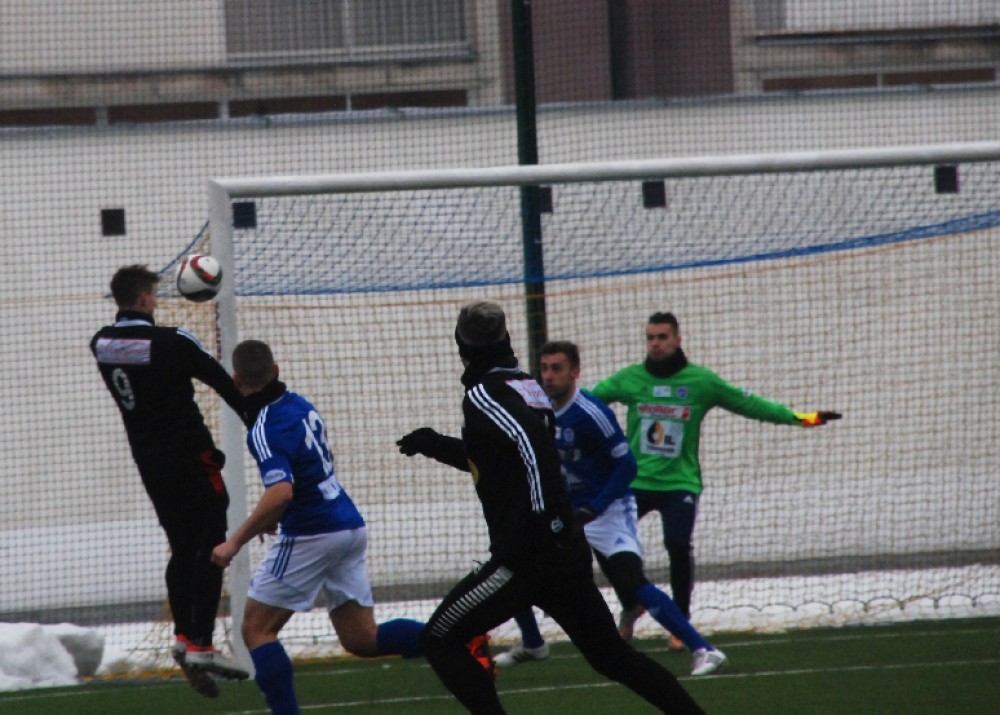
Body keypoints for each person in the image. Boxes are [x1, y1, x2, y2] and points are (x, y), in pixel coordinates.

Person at [396, 302, 705, 715]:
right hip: (560, 551)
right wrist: (435, 445)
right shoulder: (525, 385)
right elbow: (496, 460)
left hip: (529, 556)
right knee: (611, 657)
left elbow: (531, 449)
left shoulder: (485, 394)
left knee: (439, 637)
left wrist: (551, 520)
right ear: (506, 338)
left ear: (461, 346)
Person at [211, 339, 482, 715]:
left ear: (237, 380)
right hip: (346, 526)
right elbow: (305, 473)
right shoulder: (300, 405)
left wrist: (234, 542)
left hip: (312, 533)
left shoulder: (263, 427)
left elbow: (281, 491)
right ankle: (460, 640)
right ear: (275, 371)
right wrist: (274, 515)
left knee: (255, 629)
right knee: (361, 638)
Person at [590, 311, 841, 647]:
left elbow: (750, 404)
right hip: (637, 482)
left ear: (678, 339)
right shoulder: (630, 379)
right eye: (650, 338)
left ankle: (680, 622)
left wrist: (802, 418)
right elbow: (586, 403)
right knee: (601, 539)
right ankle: (631, 602)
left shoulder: (701, 382)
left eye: (663, 337)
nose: (656, 343)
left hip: (680, 483)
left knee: (677, 545)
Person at [494, 341, 726, 677]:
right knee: (511, 560)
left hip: (609, 509)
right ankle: (532, 642)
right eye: (544, 368)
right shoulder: (539, 411)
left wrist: (595, 508)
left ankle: (704, 649)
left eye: (557, 368)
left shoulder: (592, 413)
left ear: (575, 372)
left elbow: (626, 466)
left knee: (631, 580)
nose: (549, 376)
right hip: (568, 510)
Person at [90, 264, 250, 698]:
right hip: (191, 459)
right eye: (155, 295)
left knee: (182, 547)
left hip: (150, 465)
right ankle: (202, 645)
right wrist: (258, 425)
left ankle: (183, 637)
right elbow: (225, 385)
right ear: (145, 298)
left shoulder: (102, 344)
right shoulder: (172, 341)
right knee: (212, 544)